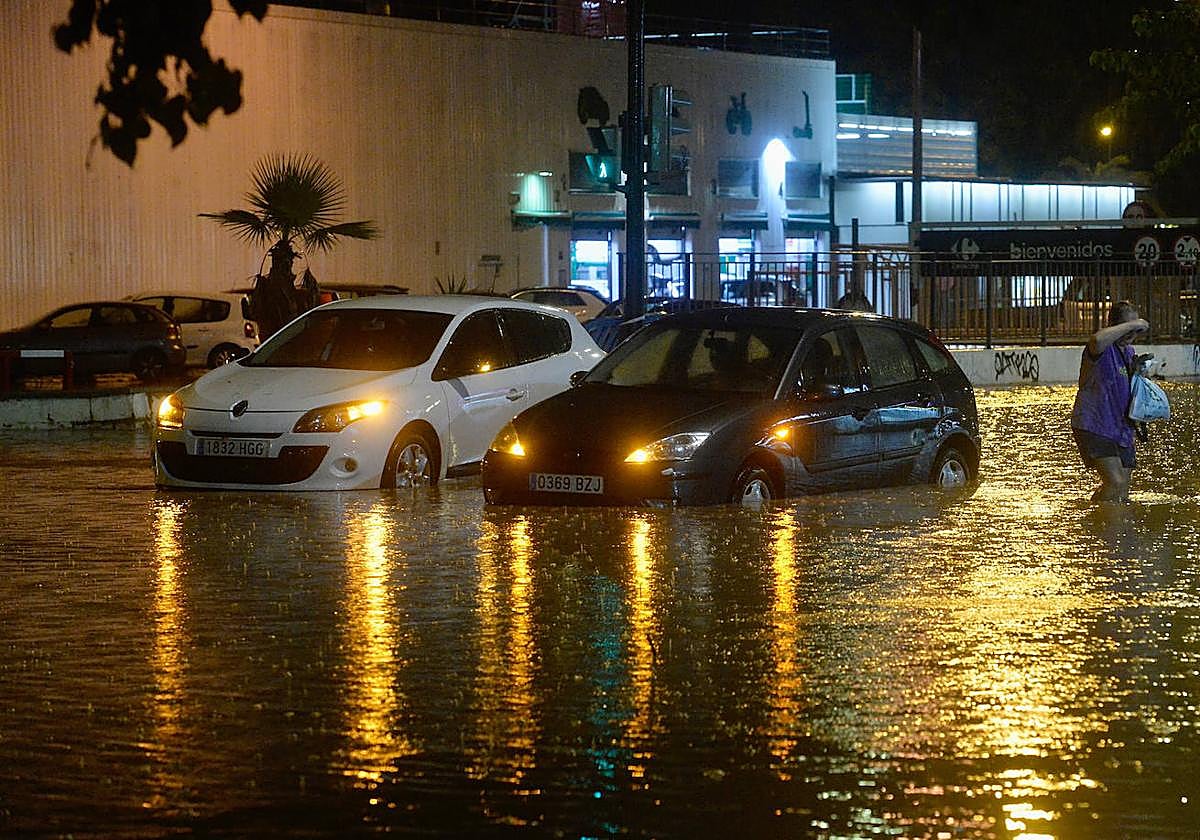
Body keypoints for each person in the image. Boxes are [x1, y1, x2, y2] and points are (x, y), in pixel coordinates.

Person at [1070, 300, 1150, 503]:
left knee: (1122, 490)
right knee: (1114, 482)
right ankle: (1098, 523)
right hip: (1095, 423)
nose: (1131, 335)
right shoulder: (1101, 347)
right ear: (1115, 326)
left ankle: (1109, 526)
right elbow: (1096, 340)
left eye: (1135, 330)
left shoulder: (1129, 353)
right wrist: (1133, 324)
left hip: (1120, 428)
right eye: (1127, 328)